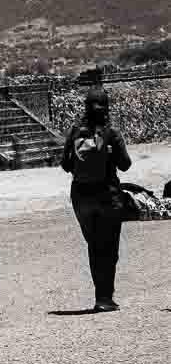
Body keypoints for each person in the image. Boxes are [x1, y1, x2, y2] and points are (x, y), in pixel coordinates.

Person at [60, 90, 132, 312]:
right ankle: (104, 298)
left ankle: (101, 296)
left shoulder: (75, 132)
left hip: (81, 197)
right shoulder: (111, 132)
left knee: (94, 246)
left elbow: (65, 164)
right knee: (109, 248)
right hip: (107, 196)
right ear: (106, 107)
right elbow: (125, 165)